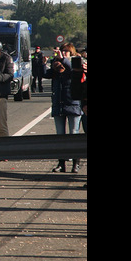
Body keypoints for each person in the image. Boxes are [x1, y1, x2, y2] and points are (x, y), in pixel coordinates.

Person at [45, 44, 83, 172]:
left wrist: (63, 60)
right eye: (62, 51)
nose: (64, 54)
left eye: (67, 52)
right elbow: (45, 74)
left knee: (74, 134)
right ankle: (61, 163)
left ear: (71, 53)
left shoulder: (76, 63)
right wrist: (42, 62)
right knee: (60, 136)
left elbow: (73, 70)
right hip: (59, 103)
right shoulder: (56, 65)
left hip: (73, 103)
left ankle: (76, 163)